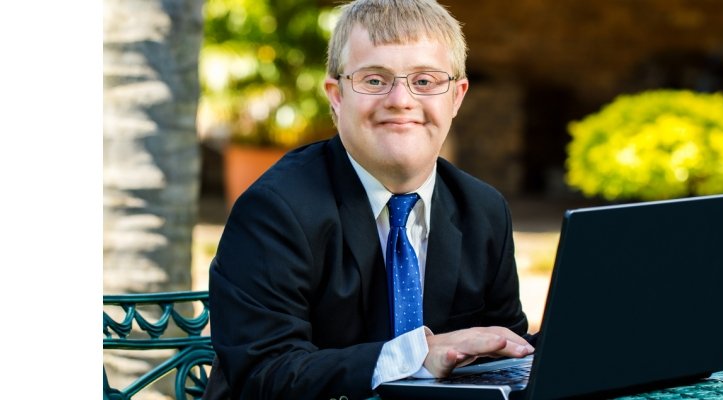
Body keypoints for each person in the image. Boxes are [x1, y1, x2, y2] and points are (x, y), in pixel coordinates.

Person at [205, 0, 535, 398]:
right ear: (337, 95)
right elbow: (264, 373)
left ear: (457, 96)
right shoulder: (275, 211)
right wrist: (413, 355)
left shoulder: (484, 210)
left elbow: (507, 357)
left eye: (425, 81)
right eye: (375, 80)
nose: (400, 99)